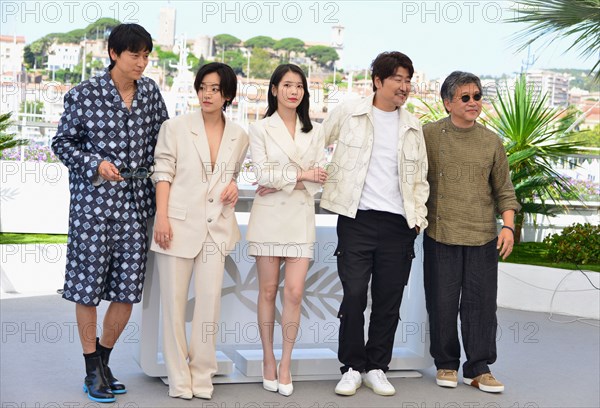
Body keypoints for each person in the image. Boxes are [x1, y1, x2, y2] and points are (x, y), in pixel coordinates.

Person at [51, 24, 168, 403]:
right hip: (93, 206)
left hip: (137, 203)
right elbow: (62, 143)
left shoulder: (150, 93)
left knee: (127, 292)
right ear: (114, 53)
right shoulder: (83, 95)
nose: (142, 62)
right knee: (87, 290)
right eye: (135, 54)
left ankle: (102, 361)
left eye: (147, 55)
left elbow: (165, 142)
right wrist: (95, 162)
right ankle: (91, 368)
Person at [319, 51, 429, 397]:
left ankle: (377, 366)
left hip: (399, 224)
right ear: (378, 81)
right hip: (356, 219)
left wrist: (418, 221)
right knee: (353, 295)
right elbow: (315, 143)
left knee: (388, 300)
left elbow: (421, 179)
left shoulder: (412, 126)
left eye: (408, 80)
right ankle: (352, 366)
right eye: (397, 79)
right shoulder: (350, 112)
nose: (404, 86)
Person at [150, 62, 249, 400]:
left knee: (209, 307)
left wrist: (233, 185)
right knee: (174, 308)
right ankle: (179, 378)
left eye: (215, 89)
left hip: (216, 228)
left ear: (228, 96)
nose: (207, 94)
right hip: (175, 226)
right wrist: (161, 218)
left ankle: (202, 375)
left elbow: (229, 175)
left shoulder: (240, 135)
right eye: (203, 87)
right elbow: (162, 173)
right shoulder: (174, 127)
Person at [423, 71, 519, 393]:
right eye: (465, 97)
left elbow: (504, 190)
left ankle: (479, 368)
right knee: (442, 303)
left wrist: (508, 225)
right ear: (448, 102)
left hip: (482, 236)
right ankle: (446, 364)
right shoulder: (429, 136)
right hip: (440, 234)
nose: (473, 102)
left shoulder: (492, 141)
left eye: (477, 96)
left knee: (481, 305)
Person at [246, 64, 328, 397]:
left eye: (299, 86)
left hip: (300, 217)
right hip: (268, 219)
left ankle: (285, 363)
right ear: (275, 89)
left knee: (294, 292)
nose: (294, 91)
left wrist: (287, 179)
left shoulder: (316, 131)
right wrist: (301, 176)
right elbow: (260, 175)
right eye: (287, 85)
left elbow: (320, 177)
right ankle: (268, 358)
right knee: (267, 291)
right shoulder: (260, 128)